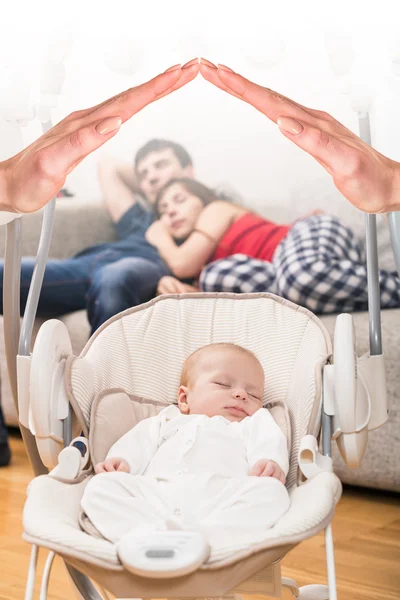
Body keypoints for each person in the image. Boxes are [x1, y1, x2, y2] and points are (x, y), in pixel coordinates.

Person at [0, 59, 200, 467]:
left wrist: (180, 183)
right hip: (82, 268)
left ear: (189, 170)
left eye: (162, 166)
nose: (152, 178)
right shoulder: (141, 217)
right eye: (145, 173)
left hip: (140, 271)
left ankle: (101, 434)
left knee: (115, 277)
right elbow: (108, 166)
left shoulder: (208, 209)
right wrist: (152, 180)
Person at [81, 343, 289, 563]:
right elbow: (138, 442)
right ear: (184, 399)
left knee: (273, 493)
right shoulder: (167, 420)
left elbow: (269, 440)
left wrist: (269, 461)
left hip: (221, 502)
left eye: (253, 394)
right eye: (223, 384)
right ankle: (145, 535)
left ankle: (205, 541)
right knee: (99, 487)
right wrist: (123, 461)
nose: (240, 394)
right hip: (157, 499)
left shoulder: (251, 423)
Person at [149, 178, 400, 313]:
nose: (170, 211)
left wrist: (157, 234)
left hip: (304, 237)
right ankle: (302, 290)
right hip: (282, 280)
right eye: (163, 210)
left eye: (179, 200)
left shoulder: (215, 209)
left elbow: (182, 263)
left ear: (203, 199)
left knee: (299, 277)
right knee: (216, 276)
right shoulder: (204, 269)